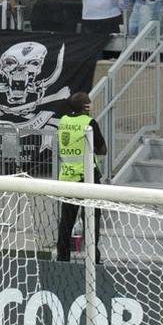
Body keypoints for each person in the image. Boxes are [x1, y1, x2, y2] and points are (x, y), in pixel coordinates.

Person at [56, 92, 109, 263]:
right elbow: (102, 150)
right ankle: (93, 258)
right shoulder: (89, 123)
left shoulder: (63, 121)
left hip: (67, 177)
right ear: (86, 106)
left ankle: (62, 259)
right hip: (87, 178)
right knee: (91, 220)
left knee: (66, 222)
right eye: (89, 102)